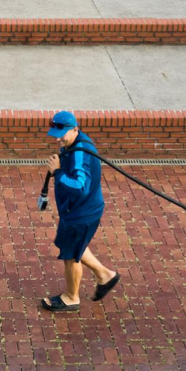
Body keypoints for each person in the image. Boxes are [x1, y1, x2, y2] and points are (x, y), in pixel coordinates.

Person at [42, 111, 120, 312]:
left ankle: (71, 298)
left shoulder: (80, 153)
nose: (58, 139)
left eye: (62, 134)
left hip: (80, 214)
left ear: (75, 129)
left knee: (70, 255)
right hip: (78, 211)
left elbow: (80, 186)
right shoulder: (77, 143)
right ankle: (105, 276)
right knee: (75, 246)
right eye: (56, 134)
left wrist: (57, 171)